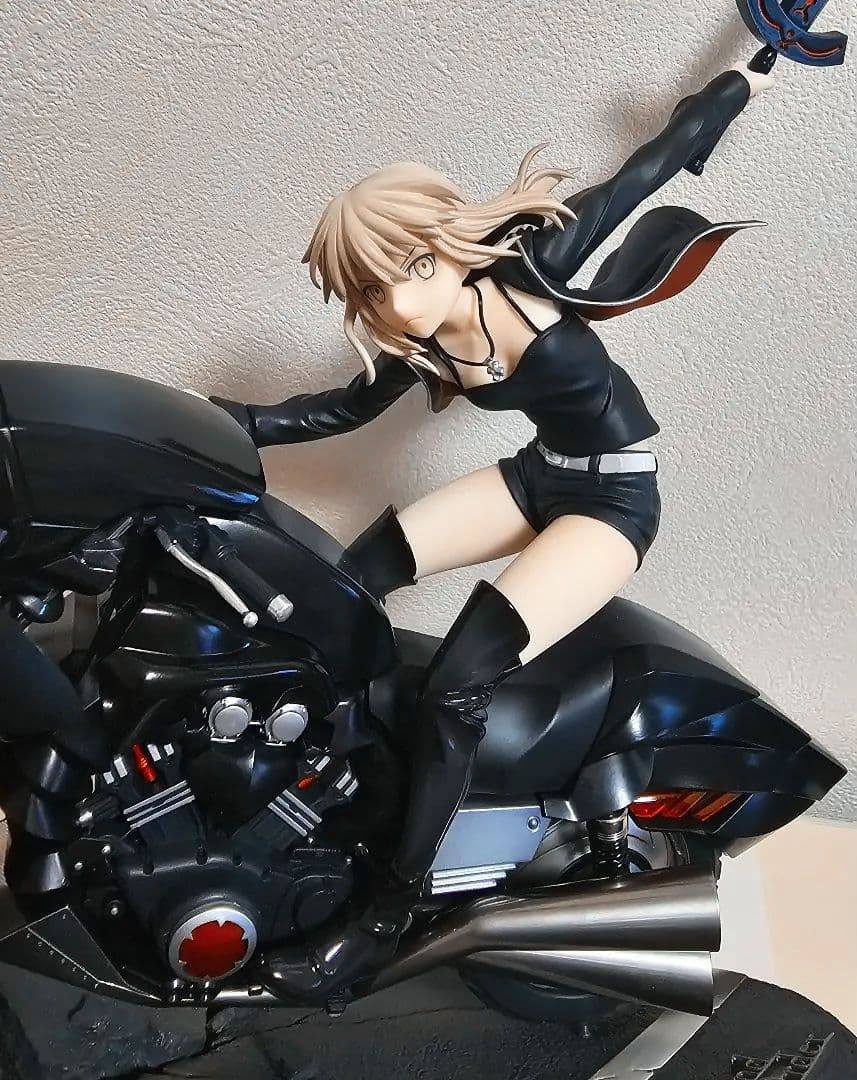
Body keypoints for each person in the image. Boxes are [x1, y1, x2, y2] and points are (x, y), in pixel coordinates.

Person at [211, 61, 774, 1003]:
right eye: (365, 296)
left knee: (456, 686)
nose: (386, 309)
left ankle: (388, 910)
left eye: (398, 276)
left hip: (613, 500)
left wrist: (736, 90)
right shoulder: (423, 339)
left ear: (439, 250)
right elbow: (337, 410)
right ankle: (331, 792)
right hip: (537, 476)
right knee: (343, 584)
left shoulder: (534, 267)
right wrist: (219, 423)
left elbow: (646, 168)